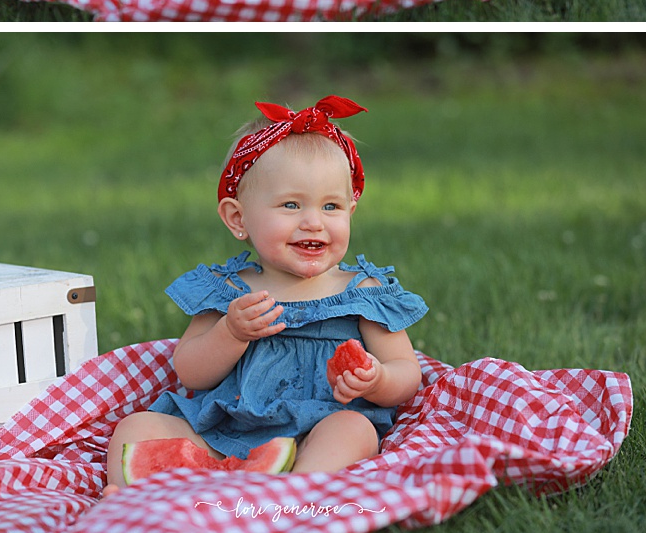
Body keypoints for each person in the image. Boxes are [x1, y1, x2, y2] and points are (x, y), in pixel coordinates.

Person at [104, 96, 426, 488]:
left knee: (353, 429)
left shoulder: (364, 292)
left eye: (331, 207)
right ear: (238, 218)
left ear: (351, 210)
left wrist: (377, 380)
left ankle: (293, 493)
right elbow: (189, 371)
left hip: (317, 434)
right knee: (137, 426)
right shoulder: (228, 289)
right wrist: (230, 333)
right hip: (223, 437)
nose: (313, 222)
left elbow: (407, 372)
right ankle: (126, 498)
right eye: (291, 205)